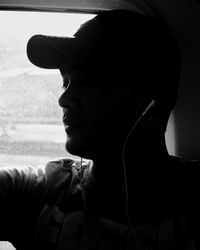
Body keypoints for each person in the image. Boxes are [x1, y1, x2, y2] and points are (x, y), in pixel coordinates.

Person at [0, 8, 199, 250]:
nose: (64, 99)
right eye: (65, 82)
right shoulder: (37, 191)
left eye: (89, 82)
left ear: (154, 98)